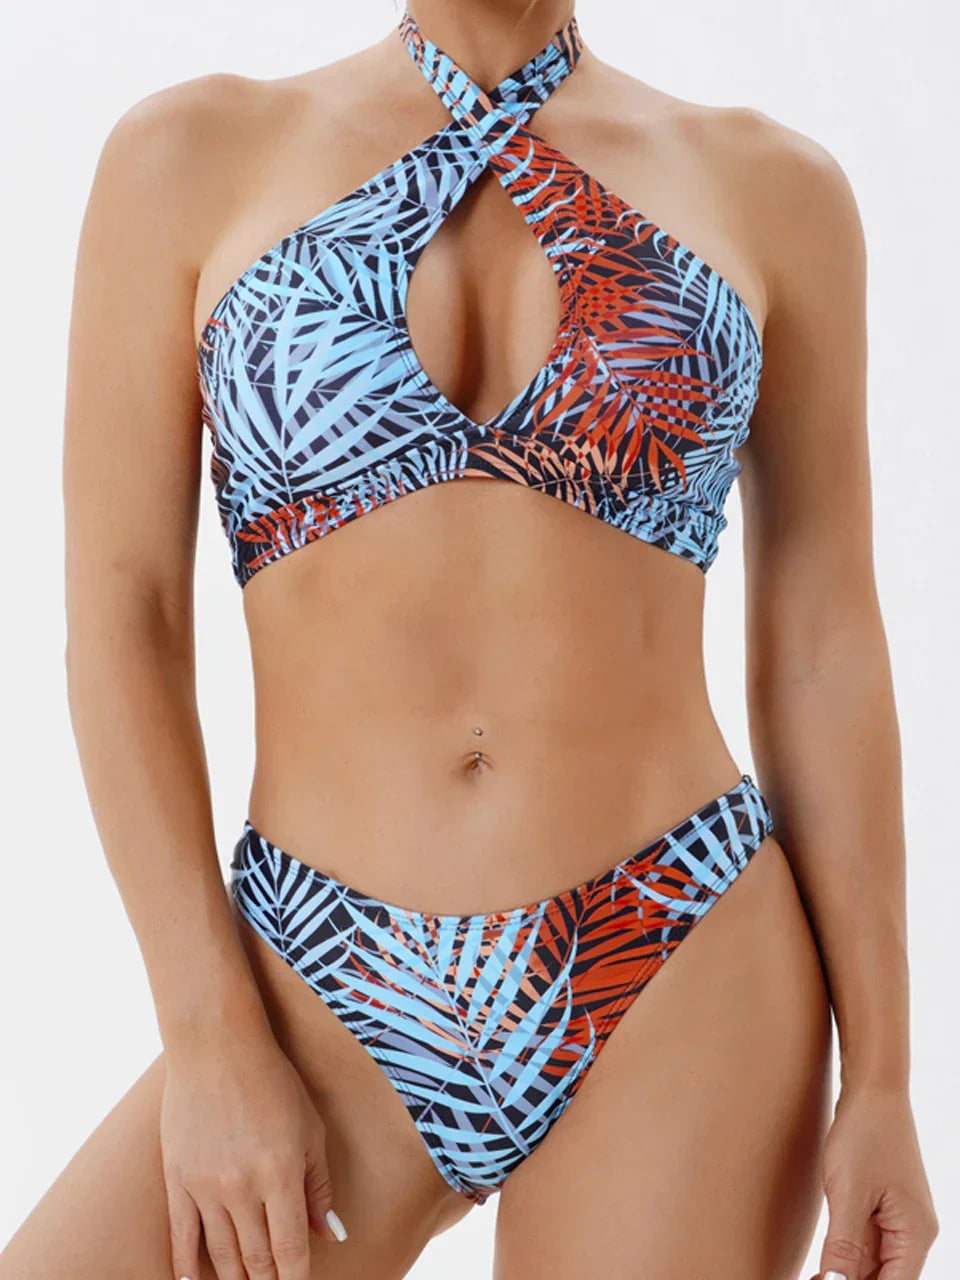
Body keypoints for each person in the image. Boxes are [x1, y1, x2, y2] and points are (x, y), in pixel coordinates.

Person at [0, 1, 939, 1278]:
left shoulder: (773, 187)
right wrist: (209, 1033)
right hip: (325, 967)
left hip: (679, 950)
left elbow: (825, 644)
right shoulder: (188, 157)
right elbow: (127, 619)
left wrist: (882, 1076)